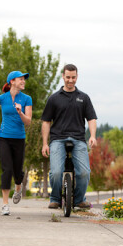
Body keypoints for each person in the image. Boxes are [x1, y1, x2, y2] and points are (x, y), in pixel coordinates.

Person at [41, 64, 97, 209]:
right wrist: (45, 143)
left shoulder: (84, 98)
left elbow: (91, 118)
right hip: (57, 139)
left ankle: (79, 199)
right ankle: (55, 198)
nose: (70, 80)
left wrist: (92, 136)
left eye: (73, 77)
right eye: (68, 77)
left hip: (78, 139)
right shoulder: (54, 98)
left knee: (84, 173)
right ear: (63, 77)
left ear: (77, 77)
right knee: (56, 172)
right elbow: (46, 122)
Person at [0, 71, 32, 215]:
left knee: (18, 171)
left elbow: (28, 122)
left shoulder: (26, 99)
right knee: (7, 169)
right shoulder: (2, 98)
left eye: (24, 79)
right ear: (12, 81)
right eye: (21, 79)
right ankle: (5, 204)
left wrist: (20, 112)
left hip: (19, 138)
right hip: (4, 138)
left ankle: (18, 187)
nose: (23, 81)